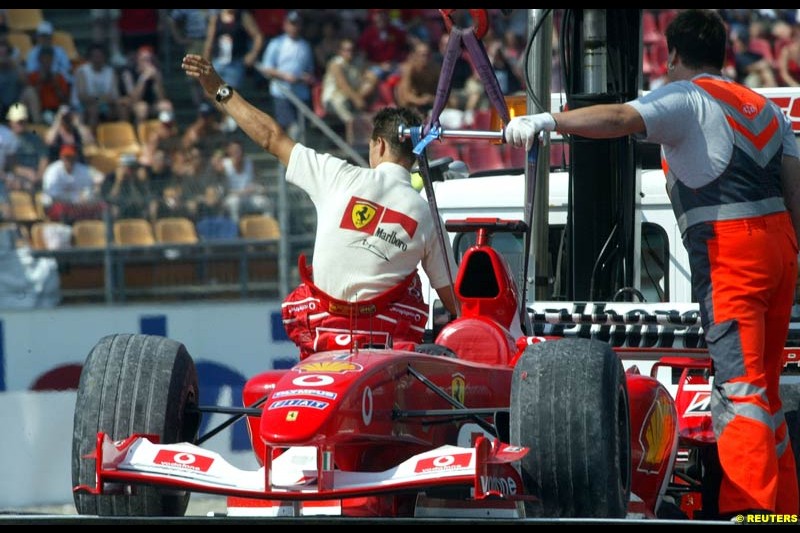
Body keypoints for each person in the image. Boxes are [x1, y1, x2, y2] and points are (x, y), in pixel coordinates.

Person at [504, 9, 800, 519]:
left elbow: (620, 118)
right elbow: (795, 188)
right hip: (780, 252)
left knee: (740, 392)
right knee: (764, 392)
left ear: (675, 56)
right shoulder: (764, 109)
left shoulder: (685, 96)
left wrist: (548, 121)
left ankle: (748, 511)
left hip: (732, 256)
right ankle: (784, 509)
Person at [182, 52, 459, 359]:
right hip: (386, 357)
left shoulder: (337, 175)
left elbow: (271, 137)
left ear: (378, 145)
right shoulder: (425, 215)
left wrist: (220, 89)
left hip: (322, 350)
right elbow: (454, 301)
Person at [256, 10, 315, 138]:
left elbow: (310, 70)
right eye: (291, 24)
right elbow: (266, 67)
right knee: (292, 128)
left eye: (296, 24)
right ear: (285, 25)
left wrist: (305, 77)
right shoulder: (276, 43)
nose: (294, 27)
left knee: (301, 129)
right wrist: (285, 76)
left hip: (300, 93)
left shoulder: (305, 46)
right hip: (282, 91)